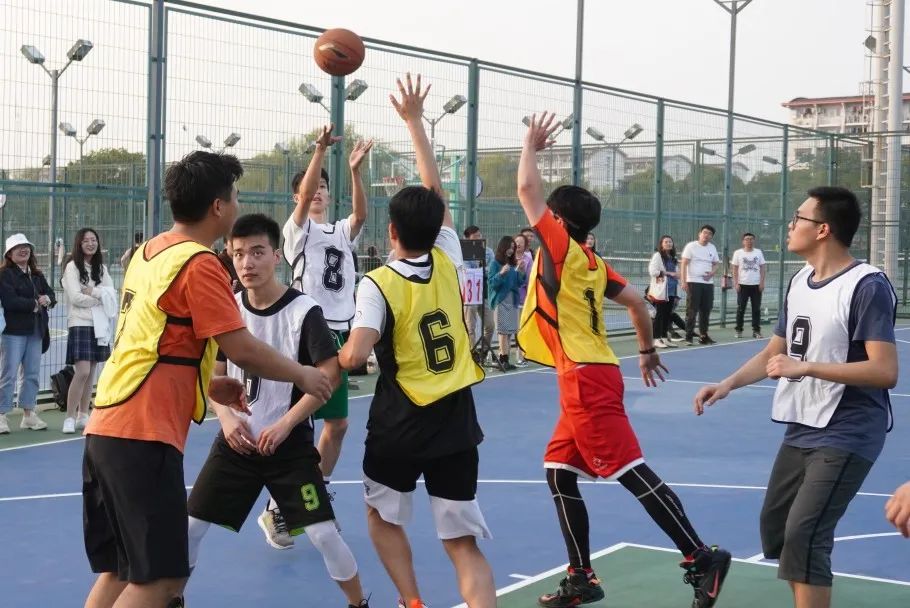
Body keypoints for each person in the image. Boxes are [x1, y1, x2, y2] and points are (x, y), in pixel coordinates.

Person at [82, 150, 333, 608]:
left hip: (108, 425)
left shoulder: (149, 253)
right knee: (163, 580)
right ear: (218, 206)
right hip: (143, 433)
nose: (237, 204)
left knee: (121, 569)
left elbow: (155, 340)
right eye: (234, 195)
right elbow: (241, 349)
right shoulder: (199, 264)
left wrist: (208, 386)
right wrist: (303, 373)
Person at [517, 114, 730, 608]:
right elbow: (638, 302)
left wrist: (530, 145)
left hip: (585, 377)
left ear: (559, 221)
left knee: (630, 470)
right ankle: (581, 577)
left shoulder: (561, 249)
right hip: (592, 370)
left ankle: (701, 556)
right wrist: (647, 351)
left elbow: (527, 188)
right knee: (559, 472)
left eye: (548, 215)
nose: (539, 219)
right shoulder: (592, 263)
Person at [694, 186, 897, 608]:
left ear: (823, 229)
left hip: (849, 429)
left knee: (806, 534)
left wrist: (806, 367)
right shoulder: (799, 280)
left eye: (798, 218)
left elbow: (884, 371)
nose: (790, 225)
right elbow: (775, 352)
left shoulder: (866, 286)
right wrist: (728, 383)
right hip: (803, 424)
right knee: (780, 530)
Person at [338, 73, 495, 608]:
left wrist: (337, 355)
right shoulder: (450, 255)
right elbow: (436, 192)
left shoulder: (378, 283)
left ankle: (413, 602)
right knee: (463, 544)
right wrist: (414, 122)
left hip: (400, 421)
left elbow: (358, 353)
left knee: (381, 516)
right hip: (456, 417)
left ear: (391, 232)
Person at [185, 214, 369, 608]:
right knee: (189, 528)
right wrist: (228, 419)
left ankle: (359, 603)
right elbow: (215, 379)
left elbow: (327, 378)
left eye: (257, 252)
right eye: (238, 254)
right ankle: (172, 599)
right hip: (237, 444)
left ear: (276, 256)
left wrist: (286, 424)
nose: (247, 263)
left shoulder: (305, 311)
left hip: (288, 447)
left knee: (324, 534)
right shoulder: (228, 308)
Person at [269, 129, 374, 548]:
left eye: (323, 188)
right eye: (311, 189)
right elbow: (305, 193)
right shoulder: (297, 232)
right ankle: (279, 507)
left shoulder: (340, 231)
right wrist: (318, 151)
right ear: (299, 196)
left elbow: (361, 215)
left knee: (338, 424)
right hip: (306, 332)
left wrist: (355, 171)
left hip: (339, 332)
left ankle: (317, 492)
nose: (317, 193)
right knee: (300, 425)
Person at [61, 228, 116, 434]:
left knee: (91, 371)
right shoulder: (72, 267)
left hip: (99, 324)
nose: (91, 243)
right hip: (80, 322)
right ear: (79, 244)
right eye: (86, 241)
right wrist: (100, 298)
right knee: (82, 371)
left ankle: (83, 415)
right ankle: (69, 416)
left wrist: (94, 292)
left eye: (94, 240)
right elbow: (76, 297)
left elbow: (111, 294)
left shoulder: (101, 268)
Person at [0, 233, 55, 434]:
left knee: (31, 374)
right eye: (18, 247)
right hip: (13, 332)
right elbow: (9, 301)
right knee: (8, 374)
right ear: (9, 254)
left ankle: (28, 414)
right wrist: (33, 304)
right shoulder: (5, 275)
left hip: (35, 331)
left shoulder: (37, 275)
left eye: (26, 246)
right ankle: (1, 415)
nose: (23, 250)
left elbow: (51, 293)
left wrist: (48, 299)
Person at [488, 236, 525, 372]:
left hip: (512, 301)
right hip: (501, 301)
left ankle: (505, 359)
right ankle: (503, 360)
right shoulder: (495, 264)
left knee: (509, 332)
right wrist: (501, 273)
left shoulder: (513, 264)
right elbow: (491, 283)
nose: (511, 250)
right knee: (503, 332)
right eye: (509, 247)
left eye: (513, 248)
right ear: (503, 247)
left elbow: (518, 283)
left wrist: (521, 272)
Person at [680, 225, 720, 345]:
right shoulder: (691, 246)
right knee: (692, 310)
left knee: (706, 310)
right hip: (693, 282)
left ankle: (703, 336)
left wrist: (712, 273)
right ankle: (689, 336)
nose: (706, 235)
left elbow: (716, 263)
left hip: (708, 284)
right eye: (705, 232)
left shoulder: (712, 247)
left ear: (711, 236)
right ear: (700, 234)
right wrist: (683, 281)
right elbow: (684, 264)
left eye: (709, 234)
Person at [462, 225, 495, 364]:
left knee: (490, 325)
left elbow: (491, 269)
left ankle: (484, 350)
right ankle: (472, 352)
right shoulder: (462, 252)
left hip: (485, 292)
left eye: (479, 235)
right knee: (470, 325)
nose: (479, 238)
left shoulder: (488, 251)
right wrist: (480, 269)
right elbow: (466, 269)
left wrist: (481, 270)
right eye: (475, 236)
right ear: (467, 238)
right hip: (471, 293)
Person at [731, 232, 767, 339]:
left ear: (754, 241)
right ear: (743, 241)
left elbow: (763, 268)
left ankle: (756, 331)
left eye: (751, 239)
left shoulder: (758, 252)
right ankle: (739, 330)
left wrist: (762, 282)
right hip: (742, 285)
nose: (749, 241)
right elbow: (735, 269)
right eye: (747, 239)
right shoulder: (738, 253)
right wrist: (736, 283)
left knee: (756, 309)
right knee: (741, 309)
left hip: (756, 285)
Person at [648, 235, 679, 349]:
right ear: (661, 244)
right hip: (661, 290)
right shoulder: (658, 256)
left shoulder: (673, 257)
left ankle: (665, 338)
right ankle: (656, 339)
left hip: (671, 290)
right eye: (666, 242)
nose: (668, 243)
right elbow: (653, 271)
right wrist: (668, 273)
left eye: (670, 242)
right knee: (660, 315)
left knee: (667, 315)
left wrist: (678, 275)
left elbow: (676, 272)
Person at [513, 233, 534, 366]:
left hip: (522, 298)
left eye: (521, 242)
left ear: (526, 245)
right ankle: (503, 355)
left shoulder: (528, 259)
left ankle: (521, 355)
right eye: (517, 241)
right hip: (509, 298)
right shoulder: (508, 257)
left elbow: (530, 278)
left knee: (522, 328)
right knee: (509, 329)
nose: (519, 244)